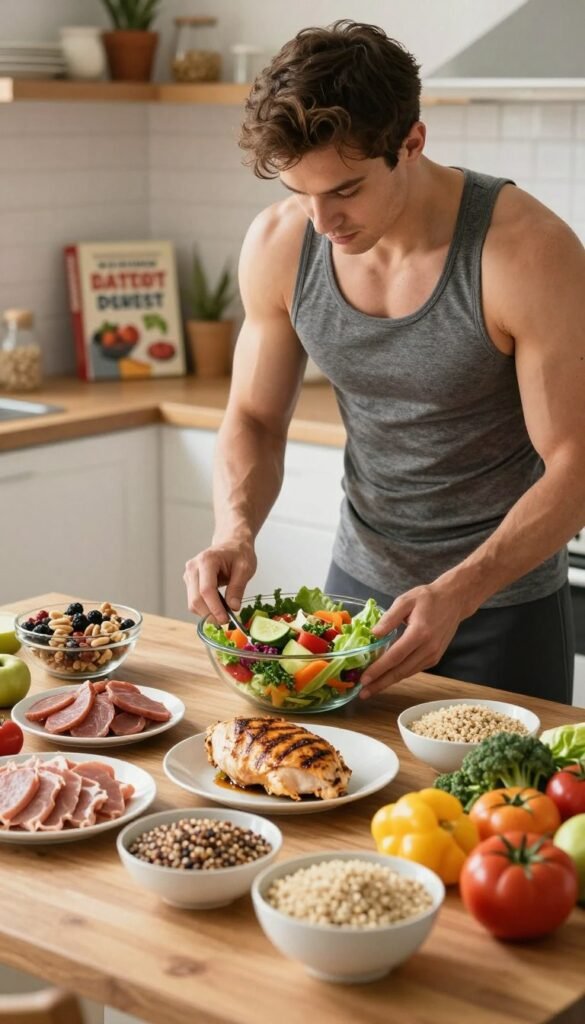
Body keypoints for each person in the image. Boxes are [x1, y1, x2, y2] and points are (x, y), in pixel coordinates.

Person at [183, 19, 585, 704]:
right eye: (297, 193)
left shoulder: (524, 250)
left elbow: (575, 464)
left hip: (501, 607)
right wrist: (235, 529)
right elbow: (253, 415)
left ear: (411, 142)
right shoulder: (282, 244)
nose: (321, 222)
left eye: (344, 190)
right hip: (355, 594)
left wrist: (457, 592)